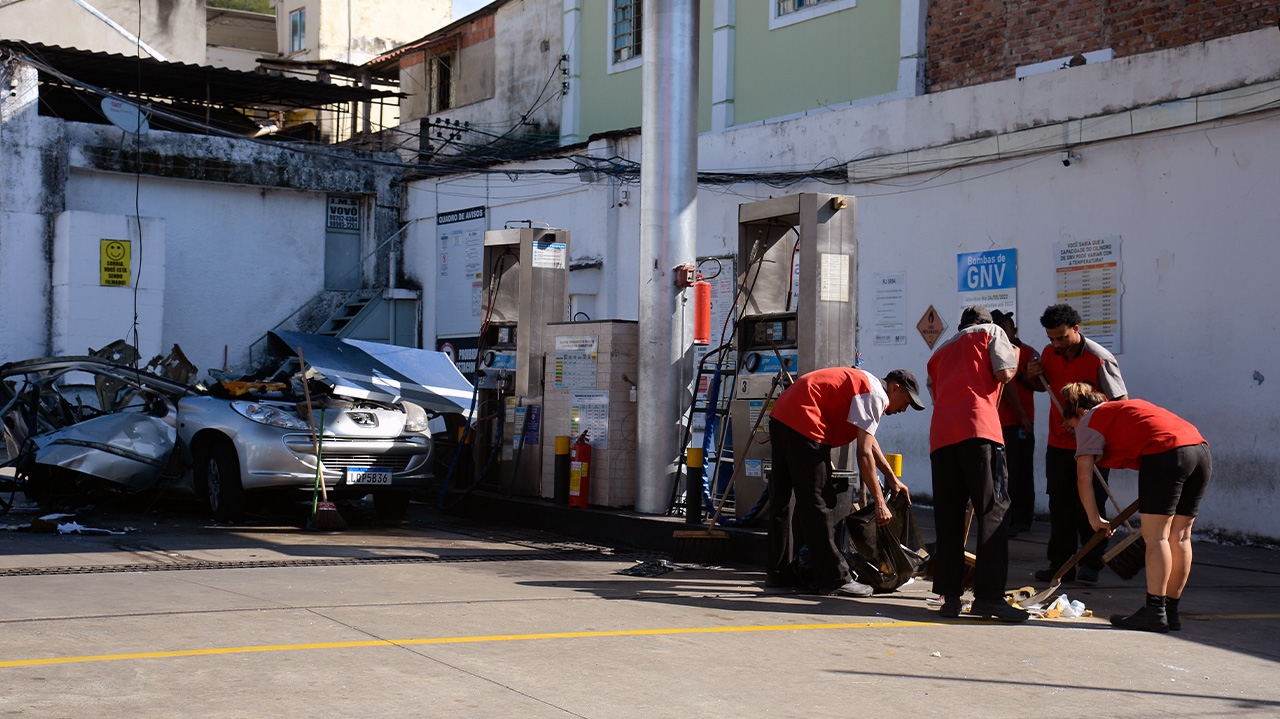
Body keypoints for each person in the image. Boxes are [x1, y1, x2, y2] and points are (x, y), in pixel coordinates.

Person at [1060, 383, 1211, 632]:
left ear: (1080, 413)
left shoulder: (1090, 420)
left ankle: (1154, 613)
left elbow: (1084, 477)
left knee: (1157, 538)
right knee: (1181, 537)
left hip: (1166, 453)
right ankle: (1170, 612)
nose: (1075, 433)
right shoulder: (1124, 409)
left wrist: (1094, 518)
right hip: (1200, 451)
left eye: (1072, 427)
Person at [766, 366, 925, 596]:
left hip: (783, 413)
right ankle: (834, 578)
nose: (904, 409)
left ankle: (779, 574)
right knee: (819, 501)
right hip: (805, 418)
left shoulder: (868, 387)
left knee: (782, 500)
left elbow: (869, 443)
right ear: (895, 388)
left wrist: (892, 478)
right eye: (907, 401)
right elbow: (863, 454)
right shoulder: (876, 396)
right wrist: (880, 502)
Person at [927, 306, 1027, 622]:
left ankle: (951, 598)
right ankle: (989, 597)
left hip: (942, 437)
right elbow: (1004, 372)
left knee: (948, 516)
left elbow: (938, 395)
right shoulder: (993, 332)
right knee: (993, 511)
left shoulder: (940, 351)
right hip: (978, 430)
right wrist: (1013, 351)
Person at [1027, 303, 1127, 585]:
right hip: (1058, 444)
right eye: (1051, 338)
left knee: (1090, 507)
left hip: (1093, 445)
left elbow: (1120, 404)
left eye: (1062, 337)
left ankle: (1091, 565)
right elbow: (1041, 386)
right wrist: (1034, 375)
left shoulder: (1100, 359)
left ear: (1076, 329)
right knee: (1060, 506)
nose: (1057, 344)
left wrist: (1095, 429)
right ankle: (1061, 565)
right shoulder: (1048, 353)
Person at [991, 310, 1037, 537]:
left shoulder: (1028, 353)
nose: (1002, 331)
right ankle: (1006, 519)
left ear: (1013, 328)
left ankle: (1020, 519)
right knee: (1003, 474)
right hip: (998, 423)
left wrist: (1022, 417)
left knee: (1020, 473)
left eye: (1005, 327)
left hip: (1019, 423)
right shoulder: (992, 351)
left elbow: (1039, 384)